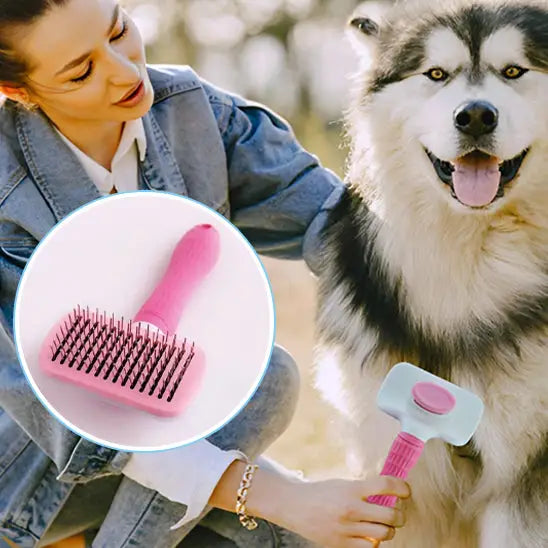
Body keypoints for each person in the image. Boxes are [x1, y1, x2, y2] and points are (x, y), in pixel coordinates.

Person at [0, 1, 411, 547]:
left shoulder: (194, 115)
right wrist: (282, 497)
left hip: (175, 443)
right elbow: (74, 424)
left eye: (119, 31)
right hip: (30, 472)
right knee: (266, 385)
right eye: (81, 71)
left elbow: (338, 227)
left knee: (292, 537)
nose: (125, 71)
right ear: (20, 92)